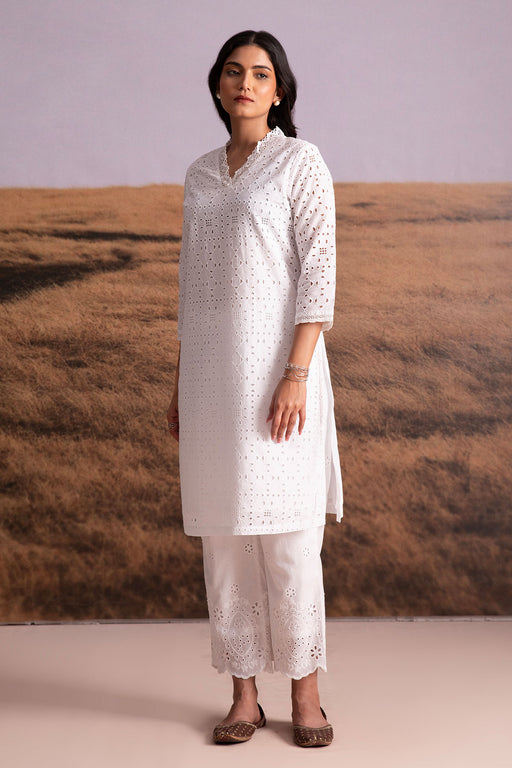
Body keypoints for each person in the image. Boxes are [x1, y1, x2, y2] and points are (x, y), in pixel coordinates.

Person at [167, 29, 343, 747]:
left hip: (281, 377)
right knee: (225, 540)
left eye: (261, 73)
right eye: (234, 71)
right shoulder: (200, 175)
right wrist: (181, 382)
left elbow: (319, 273)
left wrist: (296, 374)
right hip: (212, 381)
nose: (246, 83)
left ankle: (307, 695)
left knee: (290, 541)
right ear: (218, 85)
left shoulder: (300, 162)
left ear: (279, 90)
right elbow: (192, 288)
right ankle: (244, 696)